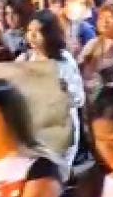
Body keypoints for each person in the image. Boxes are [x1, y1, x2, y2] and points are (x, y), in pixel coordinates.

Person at [18, 10, 85, 166]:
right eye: (30, 31)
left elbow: (78, 99)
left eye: (38, 32)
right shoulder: (25, 59)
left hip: (60, 124)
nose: (32, 36)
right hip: (34, 126)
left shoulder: (63, 60)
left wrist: (61, 88)